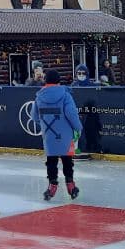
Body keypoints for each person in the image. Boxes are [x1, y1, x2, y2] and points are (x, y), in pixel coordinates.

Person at [36, 69, 81, 201]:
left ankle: (52, 185)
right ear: (58, 81)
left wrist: (45, 123)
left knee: (51, 161)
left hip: (49, 135)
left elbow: (34, 116)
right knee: (67, 160)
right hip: (65, 135)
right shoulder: (66, 95)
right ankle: (71, 185)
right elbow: (71, 114)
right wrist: (78, 127)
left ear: (46, 81)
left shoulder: (39, 96)